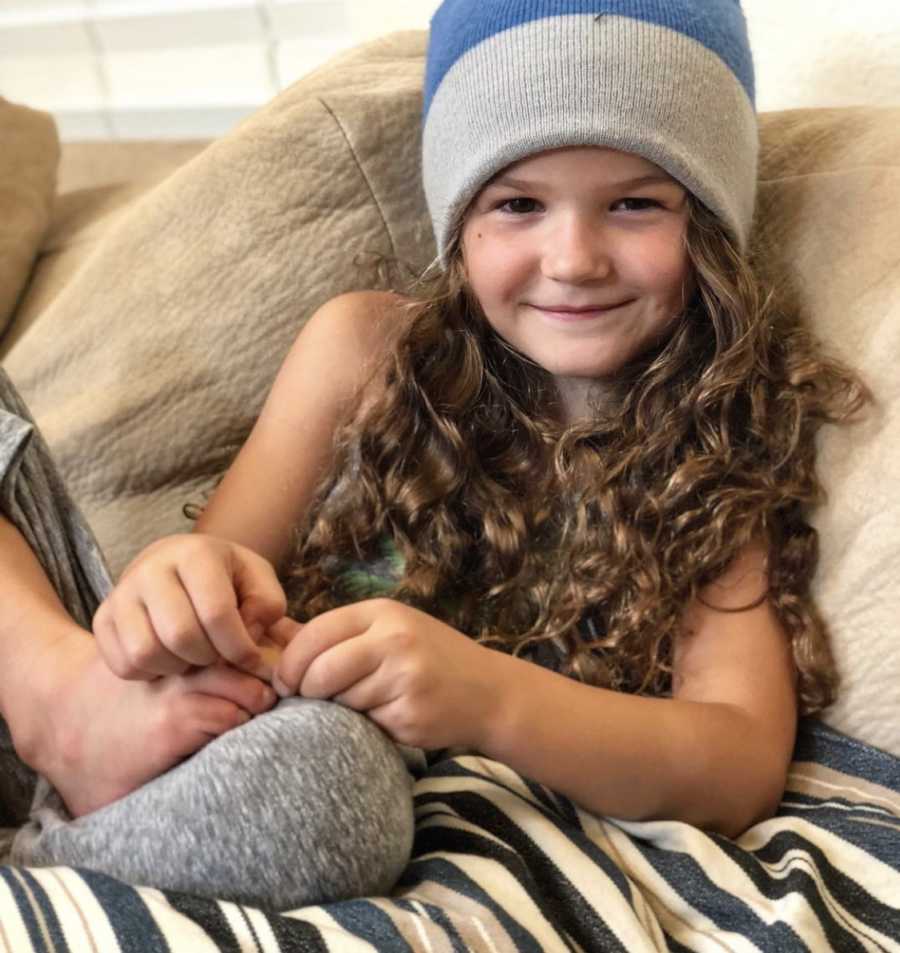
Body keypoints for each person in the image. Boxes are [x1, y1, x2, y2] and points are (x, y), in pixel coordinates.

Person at [0, 0, 866, 911]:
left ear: (712, 227)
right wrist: (181, 584)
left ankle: (61, 823)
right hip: (88, 667)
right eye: (518, 203)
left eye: (635, 203)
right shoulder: (364, 350)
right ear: (458, 220)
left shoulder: (715, 440)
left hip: (261, 771)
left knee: (326, 791)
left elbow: (735, 758)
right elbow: (219, 569)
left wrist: (487, 697)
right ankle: (54, 694)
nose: (572, 258)